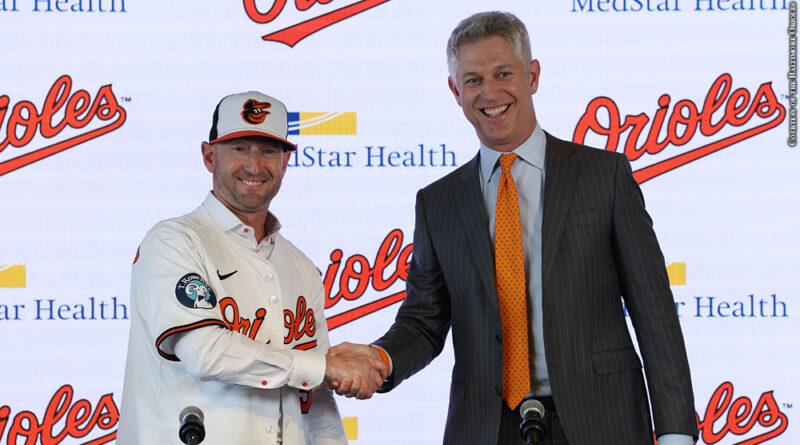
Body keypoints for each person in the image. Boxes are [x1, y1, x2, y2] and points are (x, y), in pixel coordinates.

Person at [330, 11, 698, 445]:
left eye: (503, 74)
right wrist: (381, 358)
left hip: (602, 421)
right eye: (473, 80)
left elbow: (654, 311)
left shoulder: (605, 175)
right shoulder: (437, 203)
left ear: (532, 76)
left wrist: (676, 432)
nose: (490, 92)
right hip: (484, 429)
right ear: (455, 91)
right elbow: (424, 321)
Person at [117, 91, 385, 444]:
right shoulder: (173, 242)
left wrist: (325, 380)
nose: (254, 166)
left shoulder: (301, 267)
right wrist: (323, 367)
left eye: (268, 151)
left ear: (285, 162)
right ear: (209, 156)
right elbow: (205, 352)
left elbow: (315, 398)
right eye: (239, 148)